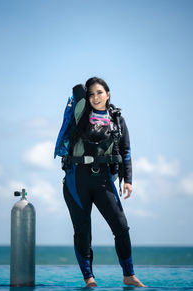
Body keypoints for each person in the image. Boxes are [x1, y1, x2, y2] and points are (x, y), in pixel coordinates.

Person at [62, 77, 145, 287]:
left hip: (103, 179)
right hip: (77, 179)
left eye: (100, 92)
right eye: (91, 94)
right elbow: (78, 90)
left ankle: (129, 275)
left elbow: (126, 150)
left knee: (121, 227)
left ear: (108, 94)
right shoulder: (80, 114)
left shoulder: (117, 119)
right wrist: (85, 90)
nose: (95, 97)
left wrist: (128, 180)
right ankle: (89, 278)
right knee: (83, 231)